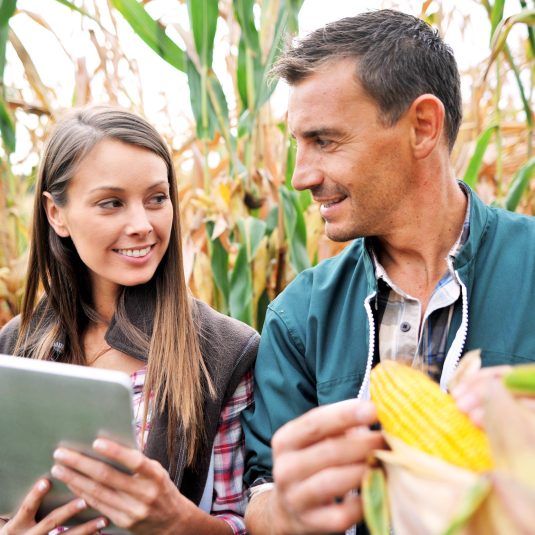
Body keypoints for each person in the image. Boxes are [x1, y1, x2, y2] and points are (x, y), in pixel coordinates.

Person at [241, 9, 535, 535]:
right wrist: (283, 510)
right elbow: (258, 491)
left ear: (423, 127)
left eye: (325, 141)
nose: (299, 176)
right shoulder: (296, 316)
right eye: (297, 145)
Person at [0, 105, 259, 534]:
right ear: (55, 213)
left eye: (157, 198)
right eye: (111, 203)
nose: (142, 224)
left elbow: (241, 520)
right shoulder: (15, 346)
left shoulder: (225, 351)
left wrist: (175, 519)